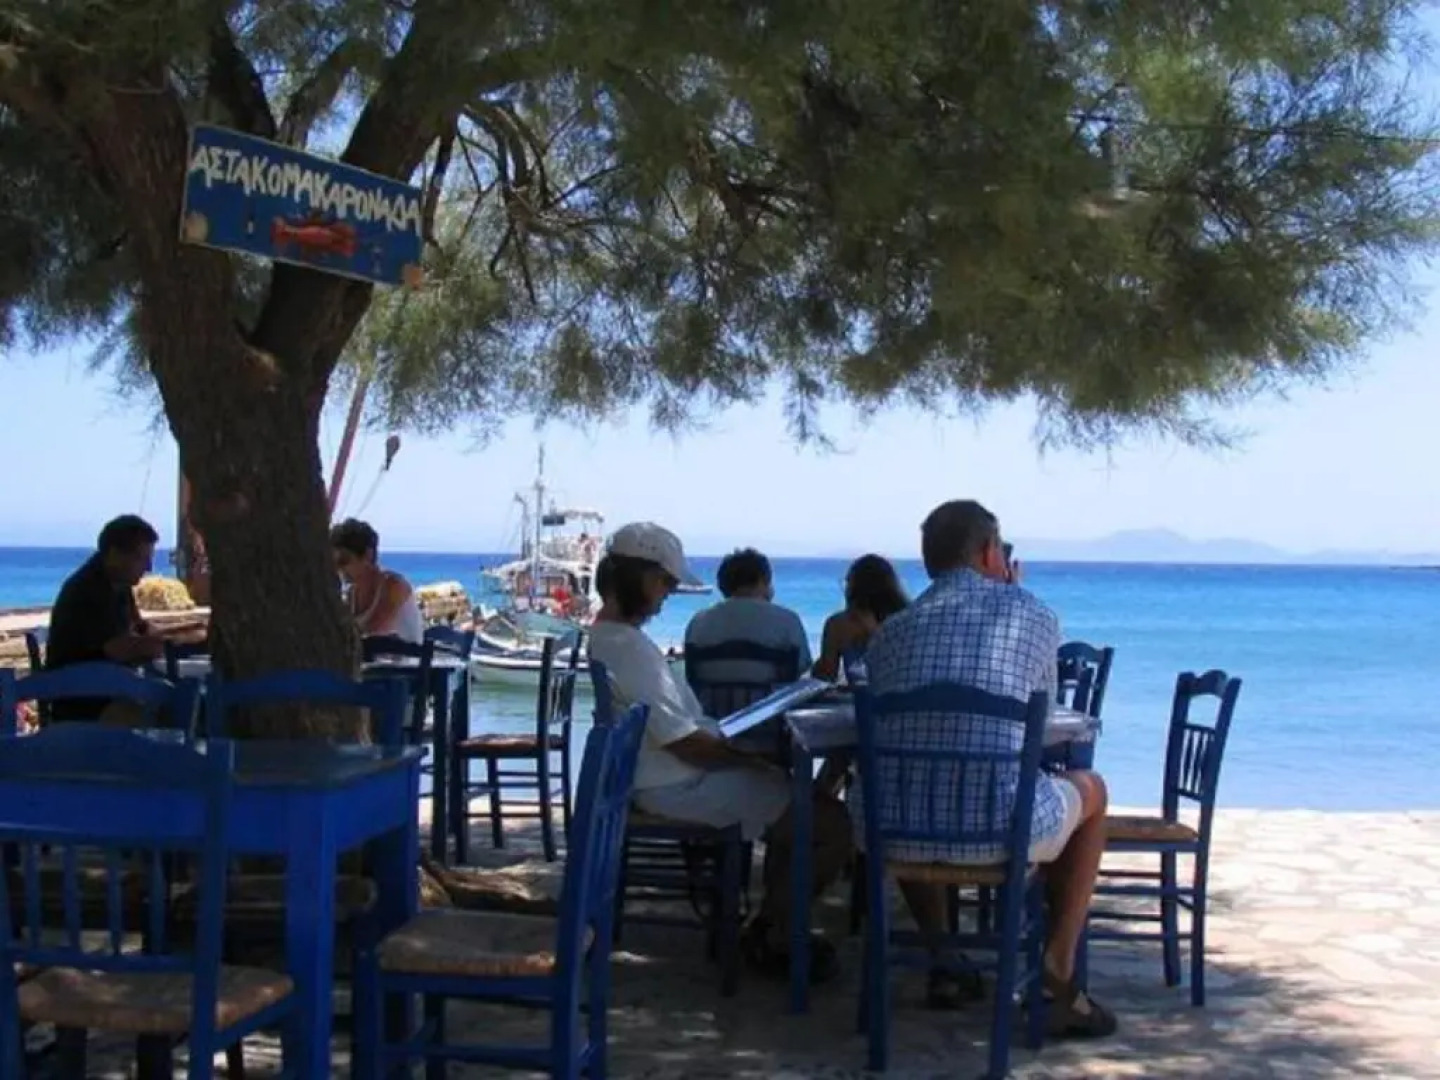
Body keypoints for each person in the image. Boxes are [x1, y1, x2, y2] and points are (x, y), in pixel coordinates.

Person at [861, 500, 1115, 1036]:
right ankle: (1057, 969)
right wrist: (1012, 594)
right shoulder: (1035, 616)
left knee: (911, 791)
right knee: (1091, 790)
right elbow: (1041, 728)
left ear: (929, 562)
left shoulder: (889, 632)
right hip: (1002, 832)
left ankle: (943, 955)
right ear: (988, 552)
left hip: (895, 834)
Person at [587, 522, 853, 982]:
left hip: (668, 775)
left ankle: (774, 926)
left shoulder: (612, 639)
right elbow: (684, 742)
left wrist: (738, 750)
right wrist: (750, 758)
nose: (667, 594)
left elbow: (679, 726)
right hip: (677, 782)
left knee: (804, 806)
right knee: (833, 825)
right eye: (664, 583)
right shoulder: (628, 648)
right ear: (638, 577)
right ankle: (773, 930)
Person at [45, 514, 166, 723]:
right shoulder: (87, 591)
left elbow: (139, 627)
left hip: (107, 689)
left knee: (171, 706)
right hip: (82, 700)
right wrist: (158, 645)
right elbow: (114, 649)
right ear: (114, 554)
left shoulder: (119, 585)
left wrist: (150, 635)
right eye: (141, 558)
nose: (148, 568)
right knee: (170, 715)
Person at [684, 547, 813, 688]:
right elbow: (802, 669)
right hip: (770, 709)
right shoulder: (787, 620)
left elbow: (691, 678)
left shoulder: (698, 622)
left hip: (708, 709)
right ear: (762, 580)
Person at [812, 554, 908, 680]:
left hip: (860, 698)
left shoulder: (838, 624)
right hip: (902, 696)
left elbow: (826, 676)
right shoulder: (906, 619)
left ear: (853, 587)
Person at [331, 518, 424, 643]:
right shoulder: (352, 594)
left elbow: (376, 632)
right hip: (373, 661)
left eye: (344, 561)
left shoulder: (394, 586)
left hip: (406, 660)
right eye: (334, 563)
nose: (339, 569)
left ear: (367, 555)